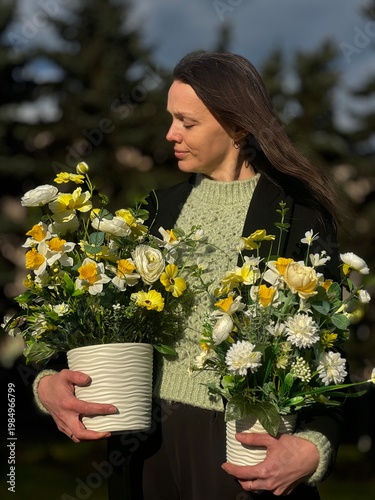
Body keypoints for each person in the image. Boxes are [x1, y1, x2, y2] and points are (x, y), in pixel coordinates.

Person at [34, 50, 344, 499]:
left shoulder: (299, 219)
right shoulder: (154, 213)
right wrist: (46, 383)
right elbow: (84, 321)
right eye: (171, 118)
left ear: (238, 126)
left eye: (187, 122)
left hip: (242, 450)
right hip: (142, 445)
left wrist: (314, 450)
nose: (170, 134)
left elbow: (330, 362)